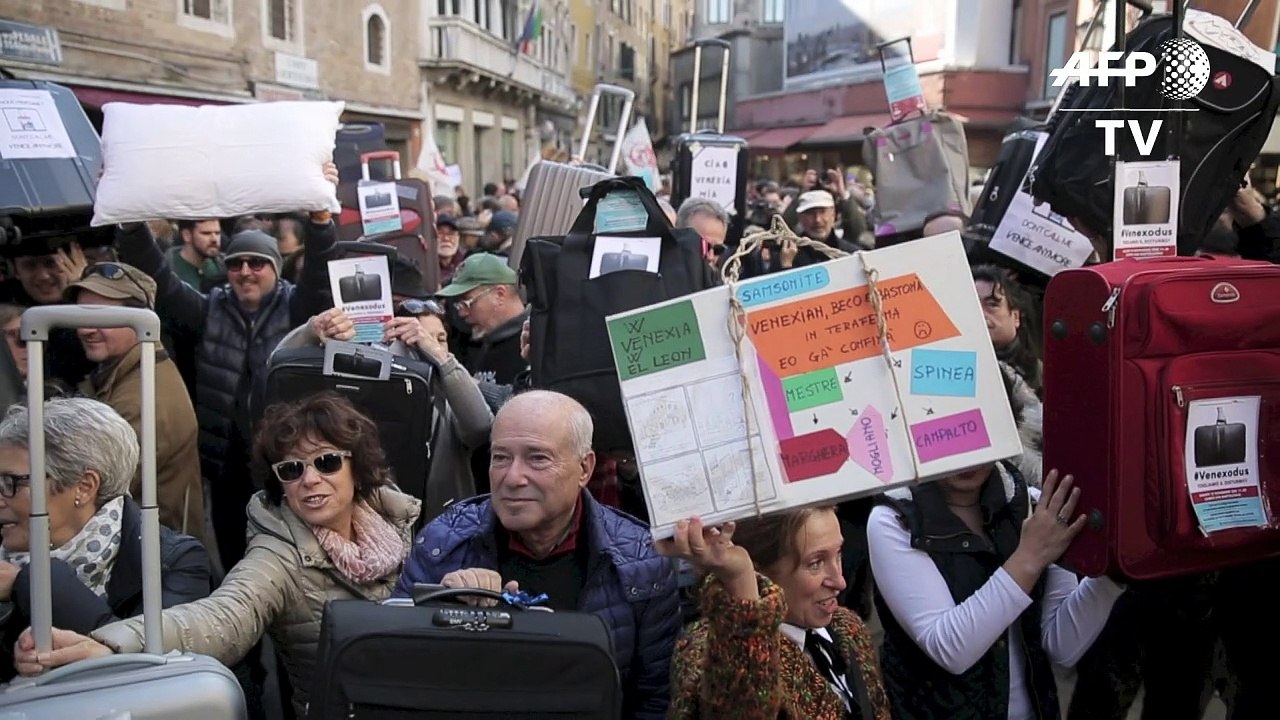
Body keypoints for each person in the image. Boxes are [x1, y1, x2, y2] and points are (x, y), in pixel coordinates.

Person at [13, 393, 420, 716]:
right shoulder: (277, 553)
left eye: (327, 462)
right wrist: (113, 645)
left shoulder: (399, 518)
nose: (310, 479)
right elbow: (220, 618)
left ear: (357, 466)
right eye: (291, 470)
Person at [393, 390, 679, 720]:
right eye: (500, 457)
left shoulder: (641, 561)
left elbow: (655, 701)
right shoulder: (443, 544)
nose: (513, 478)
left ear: (584, 468)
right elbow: (399, 676)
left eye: (538, 458)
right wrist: (444, 609)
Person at [869, 454, 1126, 718]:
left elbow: (1061, 646)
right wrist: (1029, 557)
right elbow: (948, 647)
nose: (965, 454)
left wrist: (1112, 574)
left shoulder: (1030, 502)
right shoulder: (896, 519)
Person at [0, 398, 211, 681]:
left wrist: (29, 582)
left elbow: (144, 667)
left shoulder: (172, 561)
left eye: (11, 483)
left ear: (85, 487)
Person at [664, 509, 892, 720]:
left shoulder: (848, 628)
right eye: (815, 563)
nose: (839, 581)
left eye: (838, 554)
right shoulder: (705, 648)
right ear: (759, 570)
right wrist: (740, 582)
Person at [282, 302, 493, 522]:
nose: (427, 345)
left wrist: (440, 358)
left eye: (439, 339)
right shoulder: (362, 399)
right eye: (413, 339)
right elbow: (278, 369)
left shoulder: (453, 400)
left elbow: (480, 427)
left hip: (443, 532)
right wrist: (310, 331)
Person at [67, 262, 209, 548]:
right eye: (81, 315)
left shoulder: (141, 396)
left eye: (102, 317)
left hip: (156, 560)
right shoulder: (130, 372)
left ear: (140, 319)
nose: (85, 328)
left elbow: (97, 493)